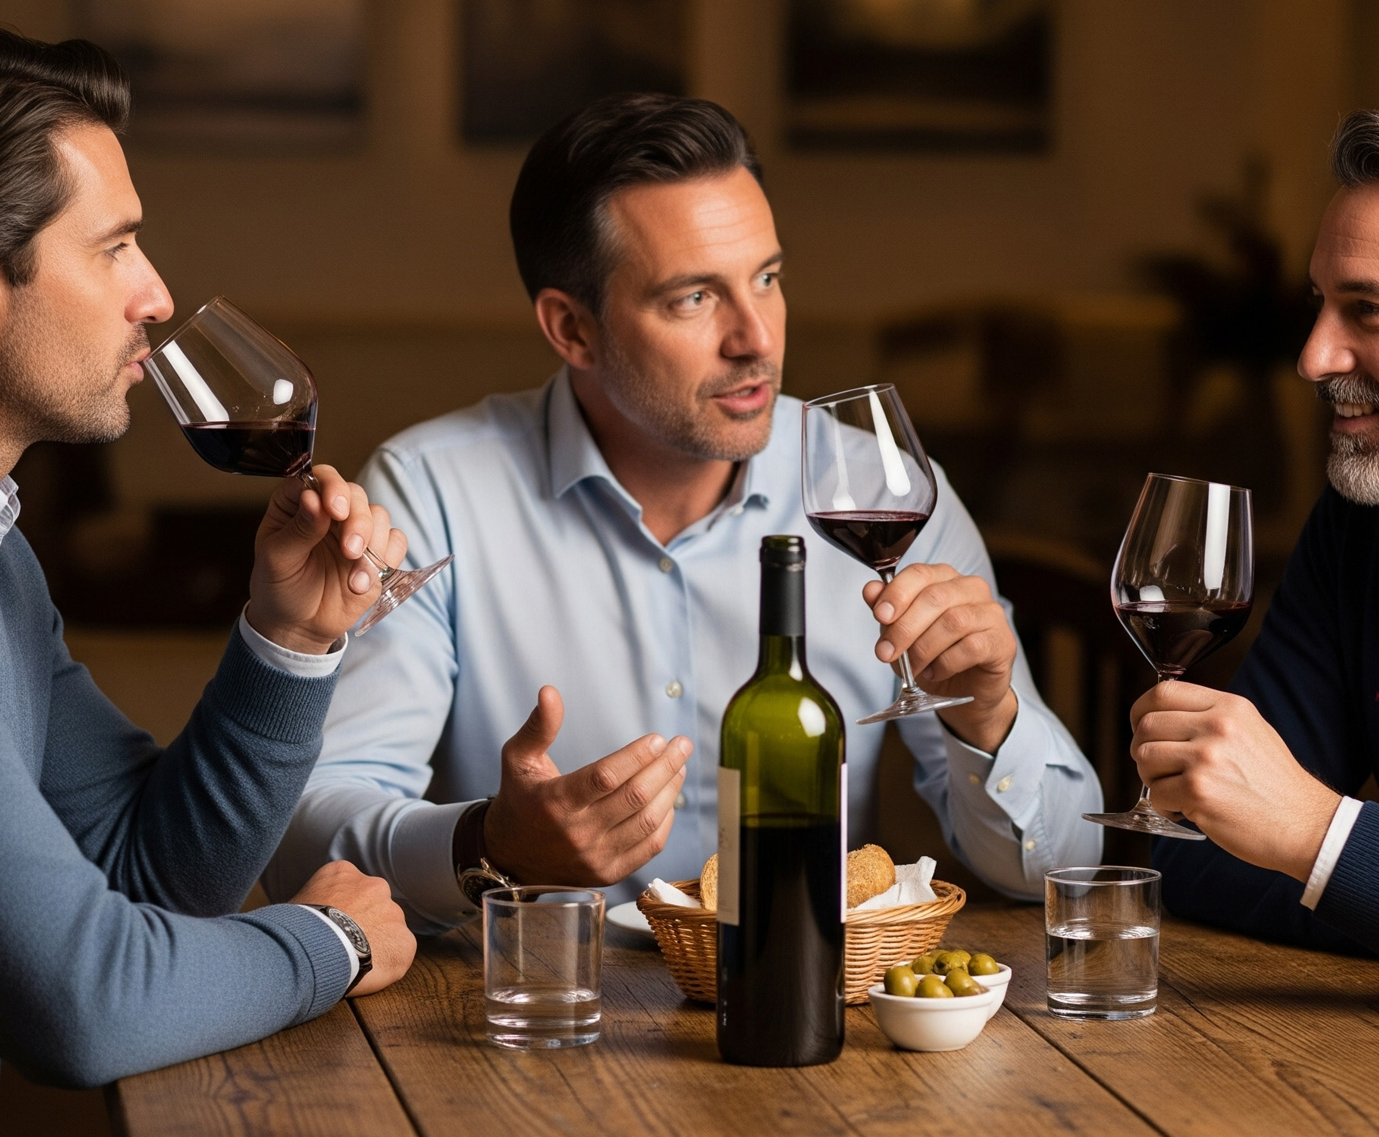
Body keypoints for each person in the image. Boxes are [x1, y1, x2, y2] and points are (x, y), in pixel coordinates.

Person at [267, 93, 1102, 928]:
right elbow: (305, 839)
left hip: (808, 991)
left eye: (767, 279)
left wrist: (990, 719)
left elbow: (1061, 869)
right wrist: (491, 844)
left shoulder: (888, 490)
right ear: (572, 329)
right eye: (694, 298)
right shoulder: (434, 493)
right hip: (541, 993)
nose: (757, 338)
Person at [0, 28, 418, 1088]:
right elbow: (89, 1004)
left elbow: (147, 874)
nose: (154, 294)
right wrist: (332, 942)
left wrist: (290, 639)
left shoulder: (5, 565)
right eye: (113, 248)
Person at [1139, 93, 1379, 1014]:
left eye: (1370, 312)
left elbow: (1280, 833)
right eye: (1320, 304)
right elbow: (1200, 852)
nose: (1312, 356)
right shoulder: (1363, 523)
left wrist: (1318, 838)